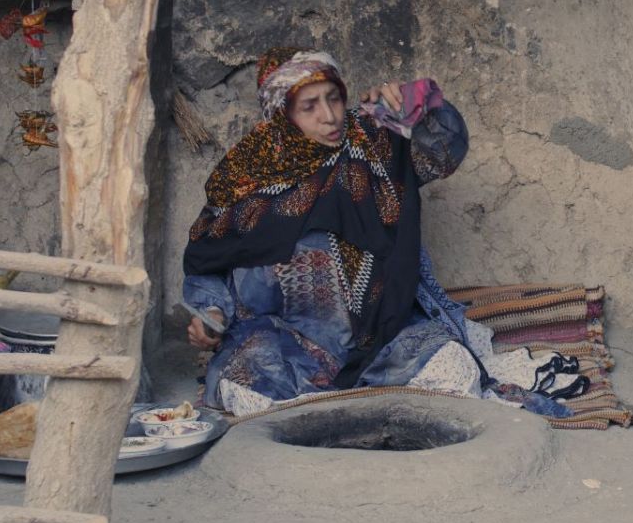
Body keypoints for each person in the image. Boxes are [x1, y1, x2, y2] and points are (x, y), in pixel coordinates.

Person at [181, 47, 470, 412]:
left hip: (381, 335)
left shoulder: (373, 140)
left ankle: (354, 403)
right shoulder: (245, 174)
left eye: (333, 98)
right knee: (247, 383)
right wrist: (212, 313)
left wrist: (422, 104)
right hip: (284, 339)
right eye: (310, 106)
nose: (330, 116)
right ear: (281, 113)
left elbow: (444, 154)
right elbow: (211, 256)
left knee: (453, 368)